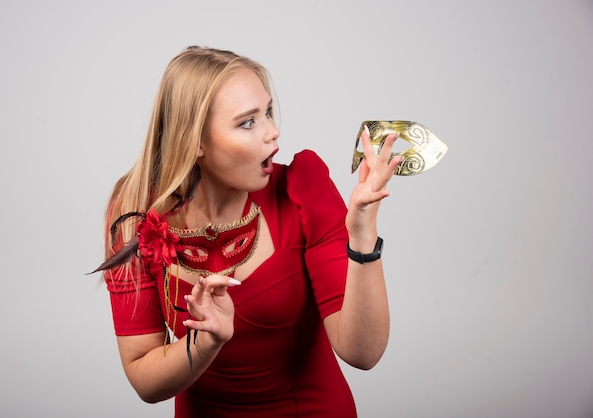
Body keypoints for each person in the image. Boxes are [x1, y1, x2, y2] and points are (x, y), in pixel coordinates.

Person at [95, 45, 401, 417]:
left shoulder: (303, 189)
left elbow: (363, 354)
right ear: (195, 142)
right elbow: (143, 376)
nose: (274, 132)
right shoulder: (134, 212)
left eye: (268, 112)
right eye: (248, 122)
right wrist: (206, 340)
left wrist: (363, 233)